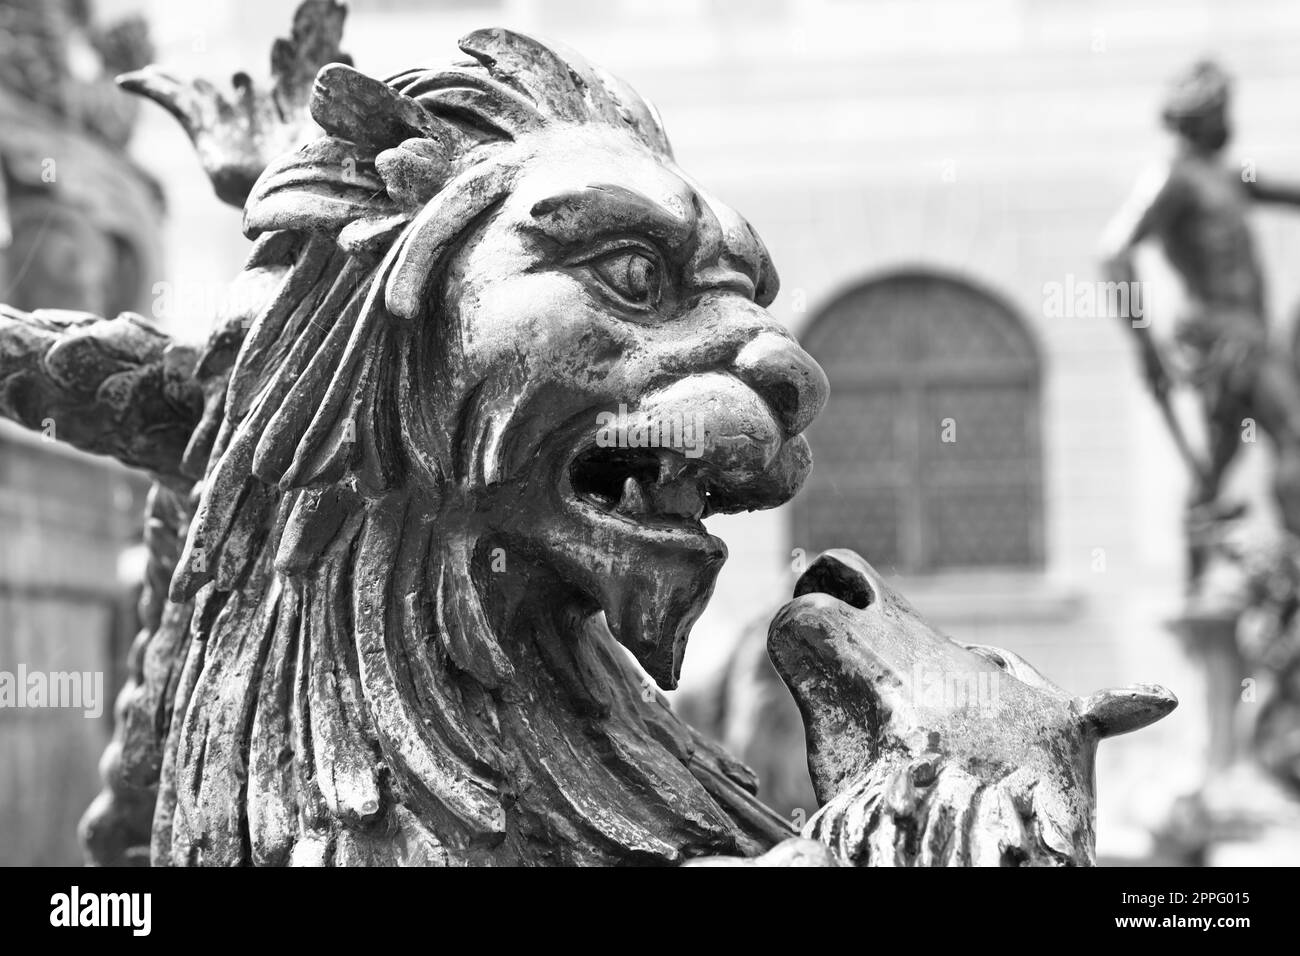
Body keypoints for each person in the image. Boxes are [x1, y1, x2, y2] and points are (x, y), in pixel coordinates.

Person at [1101, 60, 1300, 564]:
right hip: (1220, 335)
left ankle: (1201, 573)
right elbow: (1114, 252)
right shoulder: (1174, 179)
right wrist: (1144, 342)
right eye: (1222, 110)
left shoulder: (1230, 179)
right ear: (1200, 118)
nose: (1230, 119)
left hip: (1247, 332)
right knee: (1293, 431)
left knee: (1219, 459)